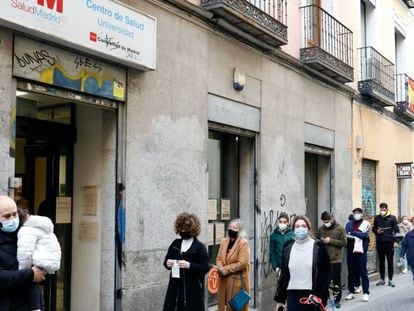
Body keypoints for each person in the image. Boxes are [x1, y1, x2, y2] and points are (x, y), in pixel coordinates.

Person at [274, 215, 331, 310]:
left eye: (304, 226)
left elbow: (325, 273)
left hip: (312, 295)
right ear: (293, 229)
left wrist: (318, 295)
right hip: (292, 294)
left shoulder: (319, 246)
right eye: (297, 226)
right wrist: (280, 299)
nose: (300, 228)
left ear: (308, 228)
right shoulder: (288, 247)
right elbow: (285, 275)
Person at [0, 195, 46, 311]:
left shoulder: (26, 233)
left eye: (15, 214)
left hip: (32, 303)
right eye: (7, 216)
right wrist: (30, 274)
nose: (13, 219)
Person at [17, 206, 61, 311]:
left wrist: (23, 272)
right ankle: (38, 306)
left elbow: (25, 253)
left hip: (41, 260)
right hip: (50, 260)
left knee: (31, 282)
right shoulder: (41, 224)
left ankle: (36, 307)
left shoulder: (26, 230)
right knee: (35, 284)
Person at [163, 212, 209, 311]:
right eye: (181, 229)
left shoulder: (199, 247)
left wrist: (189, 265)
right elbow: (166, 261)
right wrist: (167, 263)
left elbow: (205, 267)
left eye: (185, 229)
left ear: (192, 229)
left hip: (192, 289)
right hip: (175, 288)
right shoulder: (175, 244)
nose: (183, 231)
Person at [215, 219, 250, 311]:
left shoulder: (243, 243)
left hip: (237, 281)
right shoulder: (224, 241)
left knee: (235, 307)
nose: (231, 229)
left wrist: (225, 269)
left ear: (240, 230)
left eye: (234, 228)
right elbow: (218, 258)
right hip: (223, 280)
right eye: (230, 227)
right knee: (223, 306)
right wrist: (219, 267)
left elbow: (242, 263)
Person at [315, 211, 346, 308]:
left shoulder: (340, 228)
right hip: (323, 260)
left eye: (328, 221)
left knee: (336, 281)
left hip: (335, 259)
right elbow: (316, 240)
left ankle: (337, 300)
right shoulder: (320, 229)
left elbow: (344, 242)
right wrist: (320, 241)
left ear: (332, 219)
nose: (326, 223)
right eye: (324, 221)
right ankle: (324, 300)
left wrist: (330, 241)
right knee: (324, 281)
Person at [345, 207, 370, 302]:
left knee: (363, 272)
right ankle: (351, 291)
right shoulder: (349, 224)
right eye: (355, 212)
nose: (356, 214)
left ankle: (366, 293)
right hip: (350, 251)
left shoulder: (366, 223)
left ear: (362, 214)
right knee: (351, 272)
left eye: (358, 212)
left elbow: (364, 235)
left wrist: (353, 233)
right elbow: (347, 234)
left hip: (361, 252)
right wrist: (357, 234)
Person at [372, 202, 399, 287]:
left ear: (386, 209)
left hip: (390, 242)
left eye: (384, 209)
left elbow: (396, 230)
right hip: (380, 242)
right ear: (379, 209)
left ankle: (390, 279)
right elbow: (373, 228)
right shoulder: (377, 218)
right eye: (381, 209)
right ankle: (382, 279)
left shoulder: (392, 218)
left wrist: (395, 241)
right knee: (381, 261)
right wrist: (377, 231)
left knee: (390, 261)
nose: (382, 210)